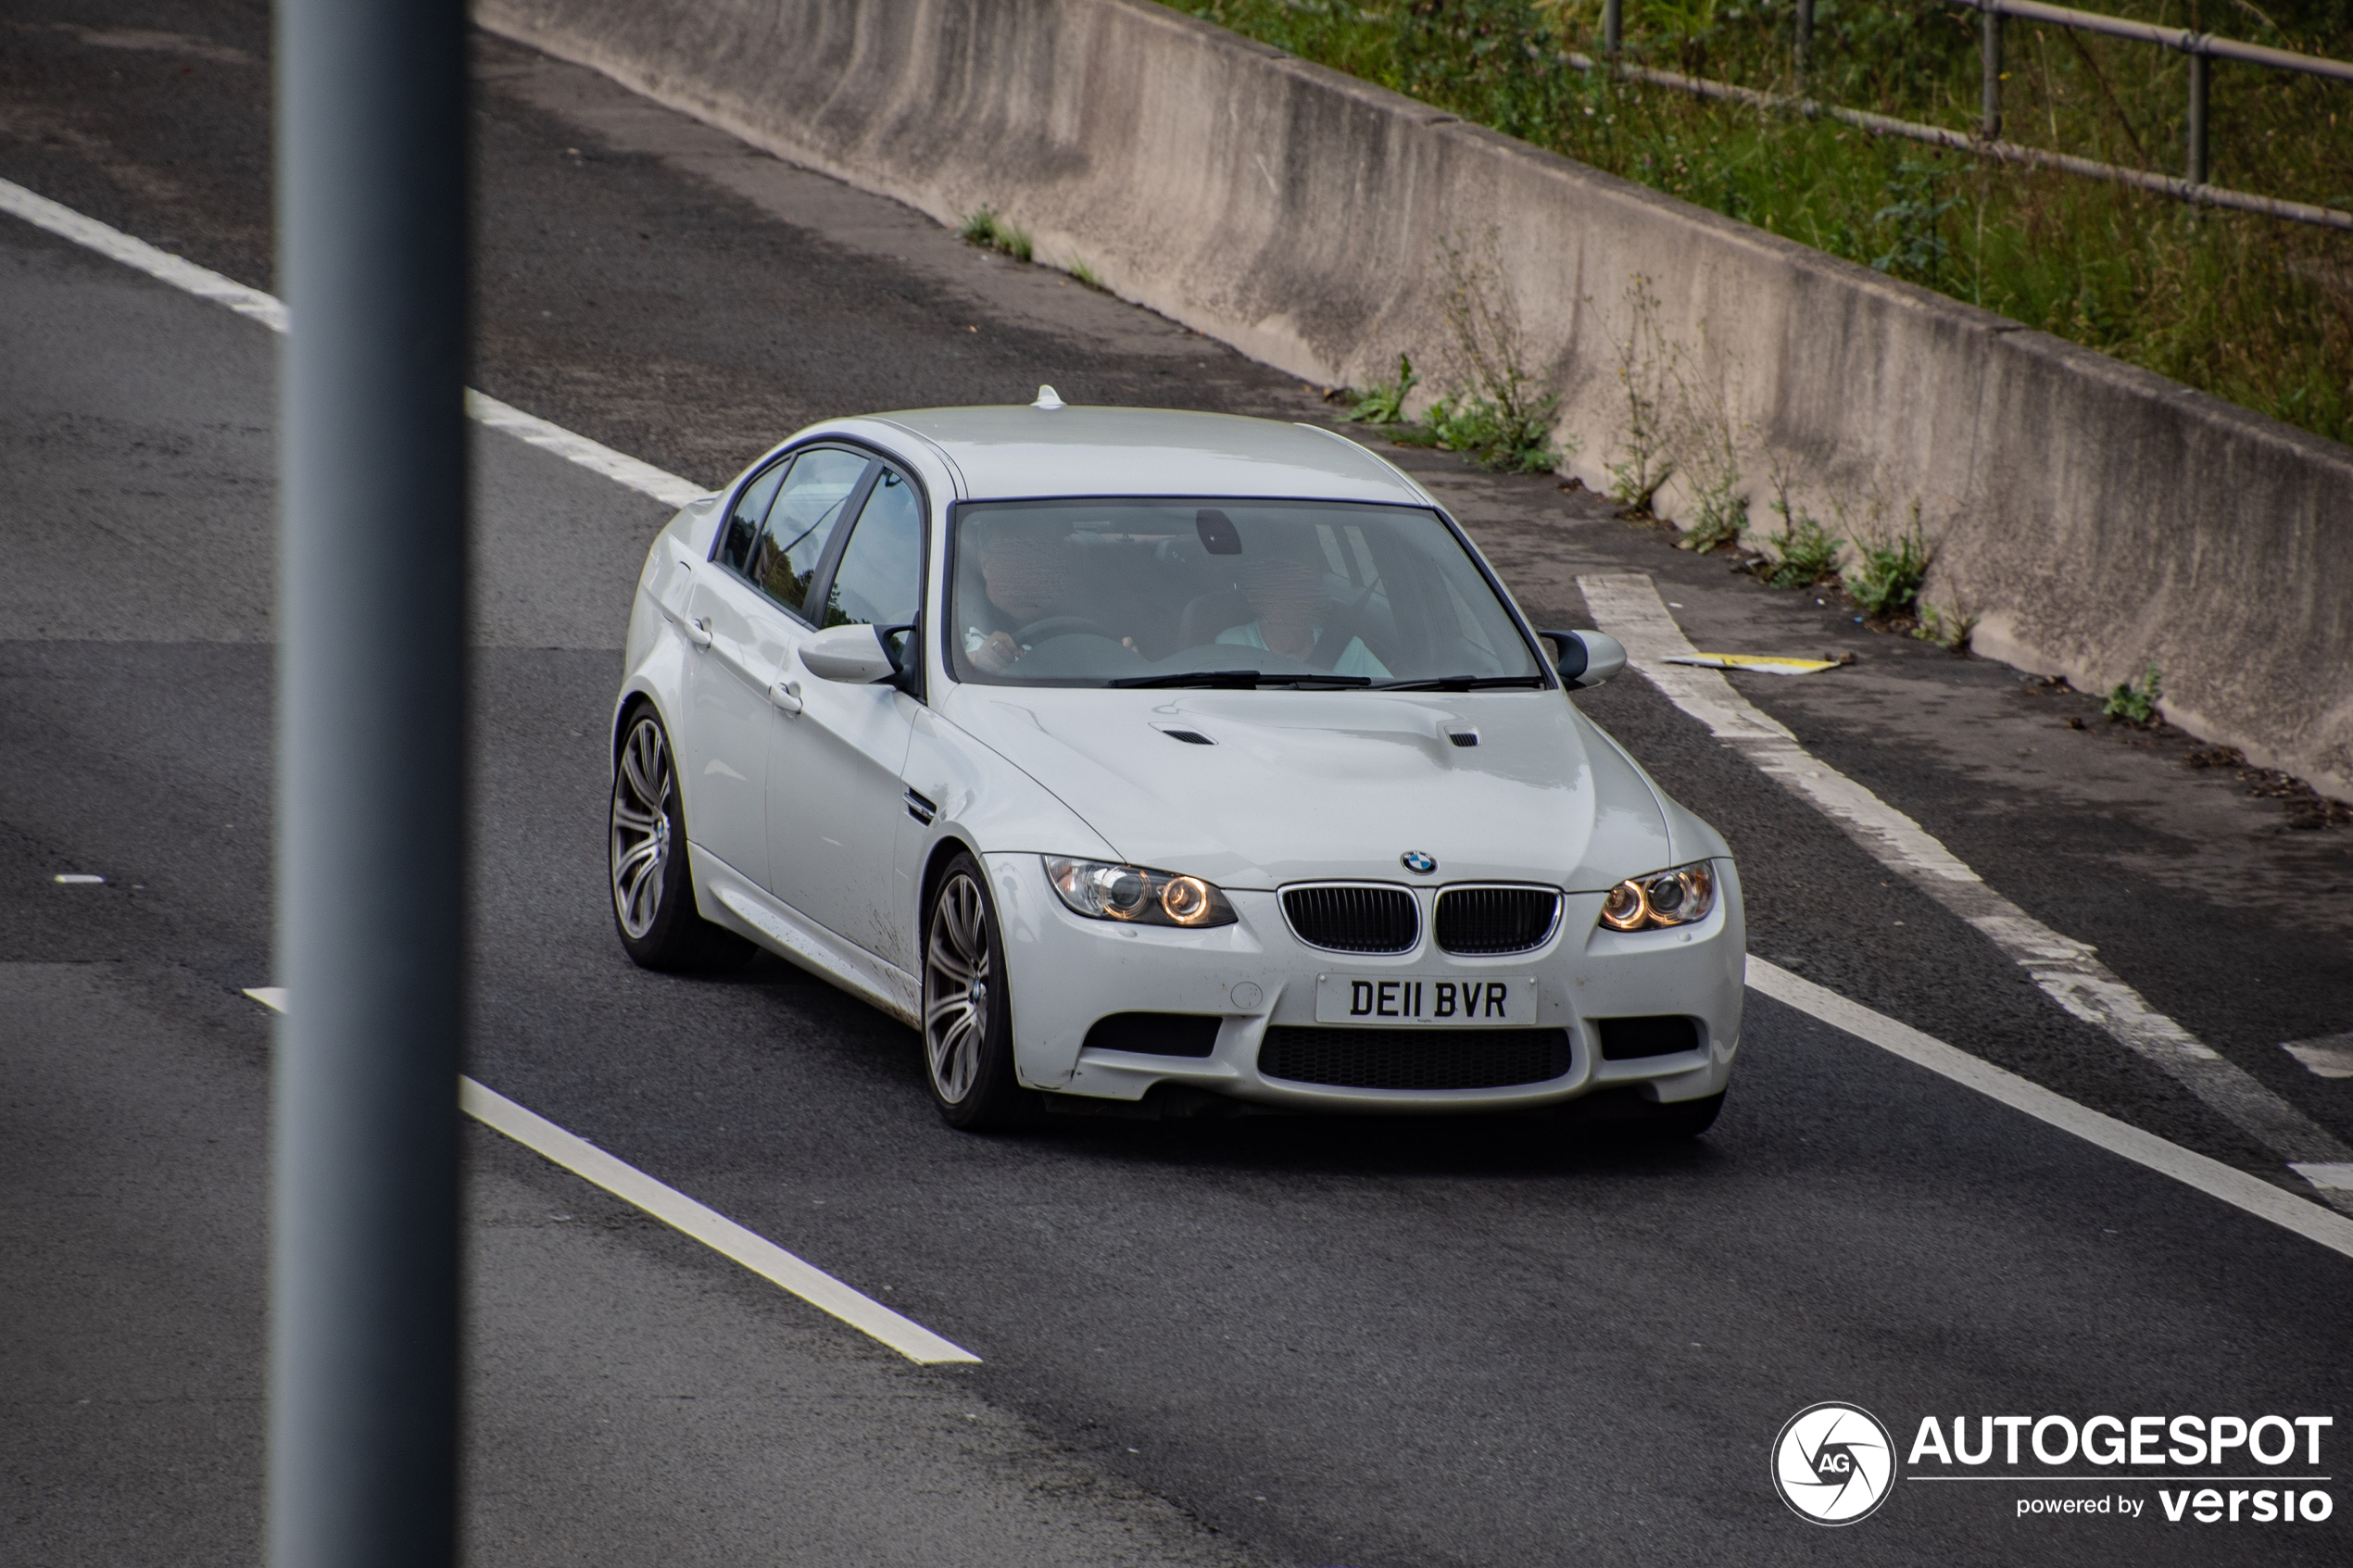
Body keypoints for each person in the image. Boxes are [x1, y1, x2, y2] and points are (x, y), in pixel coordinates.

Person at [1214, 531, 1389, 677]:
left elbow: (1390, 699)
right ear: (1257, 598)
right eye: (1284, 588)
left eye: (1305, 587)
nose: (1297, 599)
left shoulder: (1348, 650)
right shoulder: (1232, 646)